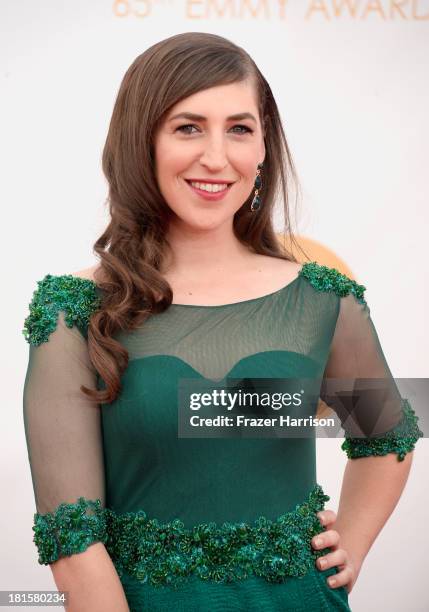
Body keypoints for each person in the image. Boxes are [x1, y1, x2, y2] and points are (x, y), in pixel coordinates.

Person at [22, 32, 423, 612]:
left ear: (263, 147)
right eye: (188, 127)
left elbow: (386, 436)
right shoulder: (72, 312)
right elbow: (73, 542)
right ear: (142, 144)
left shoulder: (320, 300)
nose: (217, 157)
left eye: (240, 128)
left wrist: (351, 546)